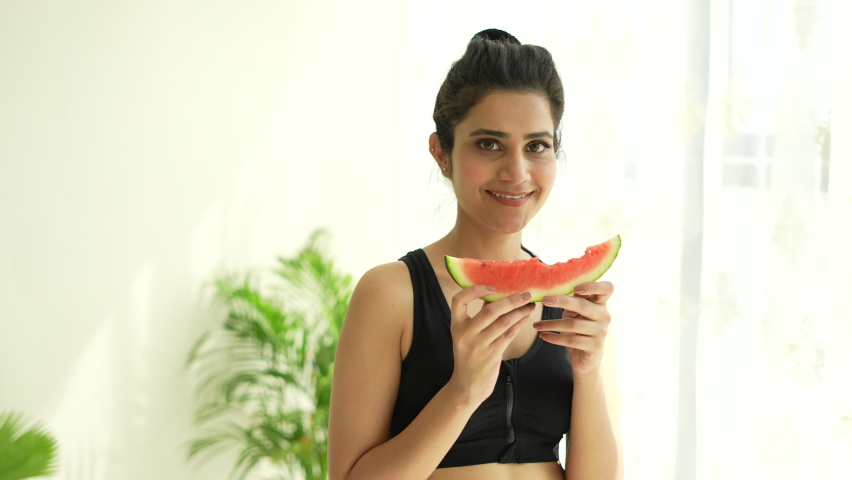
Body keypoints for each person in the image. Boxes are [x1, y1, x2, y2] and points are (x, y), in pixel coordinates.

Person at [328, 29, 620, 480]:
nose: (516, 173)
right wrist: (462, 392)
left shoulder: (576, 304)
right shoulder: (391, 293)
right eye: (489, 144)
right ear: (441, 153)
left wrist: (588, 371)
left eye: (536, 146)